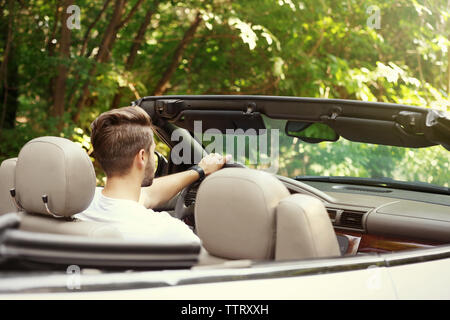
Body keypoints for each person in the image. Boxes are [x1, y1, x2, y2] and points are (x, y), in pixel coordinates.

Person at [75, 106, 229, 243]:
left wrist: (199, 171)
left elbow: (147, 195)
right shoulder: (169, 232)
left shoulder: (79, 205)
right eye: (152, 150)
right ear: (142, 156)